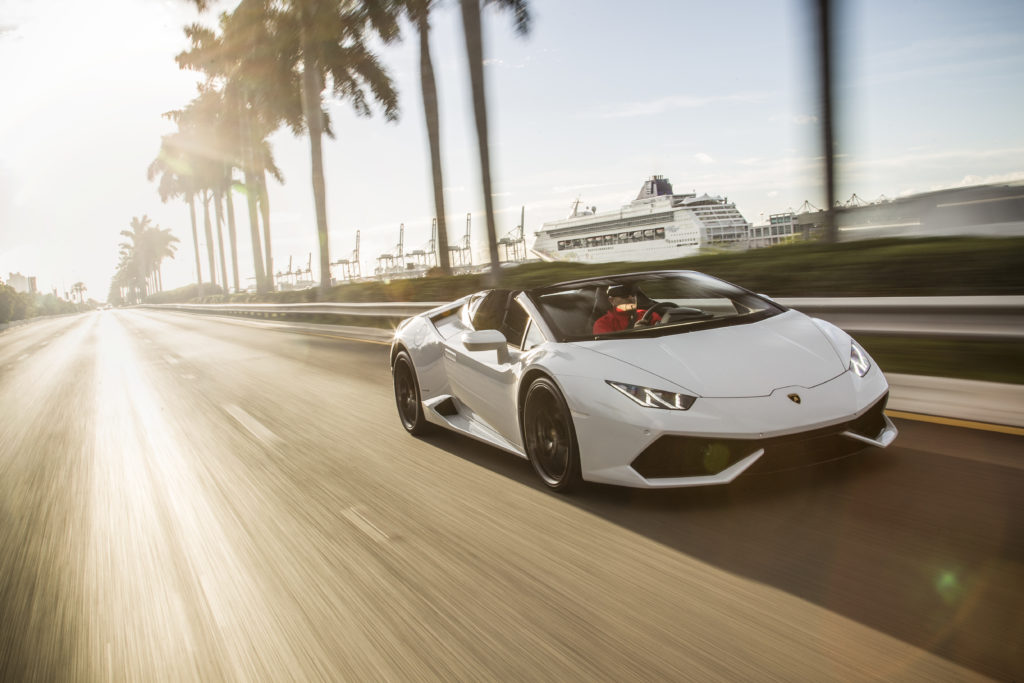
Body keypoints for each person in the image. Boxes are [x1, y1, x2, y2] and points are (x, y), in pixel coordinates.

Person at [593, 284, 661, 334]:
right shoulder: (603, 324)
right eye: (624, 296)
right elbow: (610, 349)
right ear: (611, 300)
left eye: (633, 294)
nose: (631, 299)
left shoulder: (649, 314)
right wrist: (634, 333)